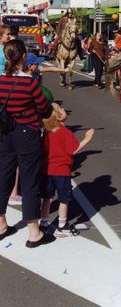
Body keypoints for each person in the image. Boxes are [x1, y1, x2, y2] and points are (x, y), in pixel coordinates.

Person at [0, 39, 54, 248]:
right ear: (23, 56)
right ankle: (33, 231)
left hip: (5, 133)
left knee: (3, 175)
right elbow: (44, 108)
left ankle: (2, 224)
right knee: (29, 180)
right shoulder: (29, 82)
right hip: (27, 133)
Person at [40, 103, 95, 236]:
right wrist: (87, 139)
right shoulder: (65, 132)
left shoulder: (46, 133)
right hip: (62, 171)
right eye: (61, 108)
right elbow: (73, 150)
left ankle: (43, 223)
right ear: (58, 117)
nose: (64, 109)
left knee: (47, 197)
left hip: (47, 170)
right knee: (64, 199)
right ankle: (62, 225)